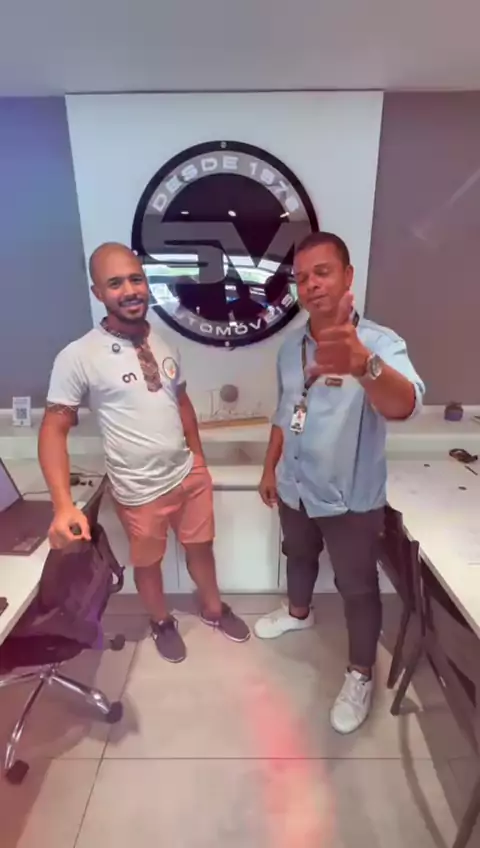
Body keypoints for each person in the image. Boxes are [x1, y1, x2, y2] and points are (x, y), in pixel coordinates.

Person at [38, 242, 250, 663]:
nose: (130, 290)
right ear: (98, 292)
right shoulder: (78, 355)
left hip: (187, 476)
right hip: (138, 490)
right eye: (115, 283)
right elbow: (53, 429)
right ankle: (161, 621)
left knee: (201, 548)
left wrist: (199, 460)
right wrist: (62, 506)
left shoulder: (165, 342)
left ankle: (213, 608)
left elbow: (181, 402)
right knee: (148, 563)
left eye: (136, 279)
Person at [254, 231, 425, 734]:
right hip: (296, 485)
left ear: (348, 276)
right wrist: (270, 468)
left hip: (351, 500)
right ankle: (298, 611)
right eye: (302, 277)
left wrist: (364, 366)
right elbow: (286, 412)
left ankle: (360, 674)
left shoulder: (379, 343)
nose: (311, 284)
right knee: (298, 554)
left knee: (357, 587)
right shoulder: (290, 347)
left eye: (322, 272)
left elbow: (406, 404)